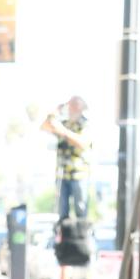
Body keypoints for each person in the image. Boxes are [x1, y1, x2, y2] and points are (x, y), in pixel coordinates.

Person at [41, 96, 91, 224]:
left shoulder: (85, 124)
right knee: (62, 212)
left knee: (81, 210)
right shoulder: (64, 123)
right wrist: (54, 112)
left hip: (79, 174)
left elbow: (83, 143)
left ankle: (82, 238)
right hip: (62, 174)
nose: (70, 109)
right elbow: (45, 126)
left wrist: (63, 131)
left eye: (73, 105)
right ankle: (64, 238)